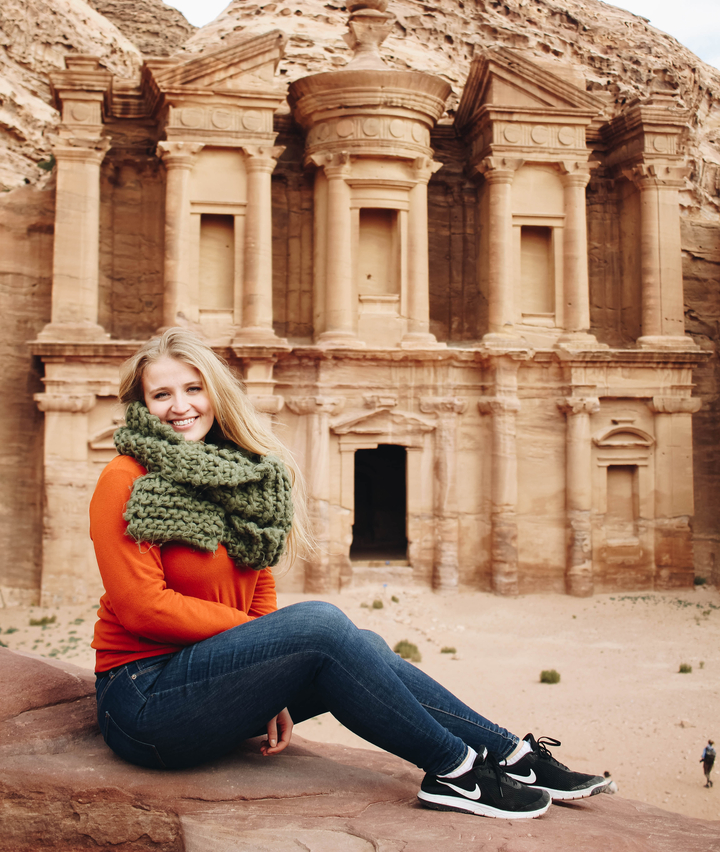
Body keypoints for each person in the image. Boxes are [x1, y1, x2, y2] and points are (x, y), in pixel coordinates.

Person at [90, 328, 609, 821]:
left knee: (366, 645)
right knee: (321, 627)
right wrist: (264, 650)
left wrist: (264, 673)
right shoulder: (125, 479)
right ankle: (456, 771)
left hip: (214, 684)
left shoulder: (237, 474)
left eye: (192, 388)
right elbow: (142, 607)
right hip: (144, 701)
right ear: (143, 406)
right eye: (161, 395)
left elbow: (259, 579)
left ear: (215, 393)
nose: (180, 406)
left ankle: (512, 754)